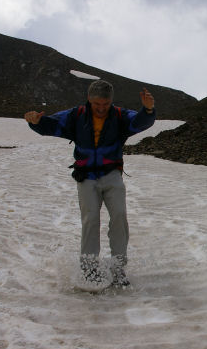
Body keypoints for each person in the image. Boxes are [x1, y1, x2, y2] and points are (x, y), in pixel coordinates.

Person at [24, 80, 156, 287]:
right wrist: (35, 122)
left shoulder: (119, 116)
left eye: (105, 104)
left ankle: (118, 268)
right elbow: (51, 125)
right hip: (85, 176)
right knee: (91, 219)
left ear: (111, 102)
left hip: (112, 174)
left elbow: (139, 122)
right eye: (97, 104)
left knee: (119, 217)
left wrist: (148, 110)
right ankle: (89, 270)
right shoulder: (76, 115)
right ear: (89, 100)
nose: (101, 108)